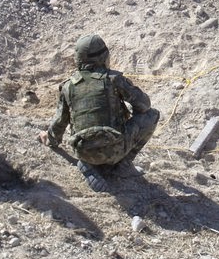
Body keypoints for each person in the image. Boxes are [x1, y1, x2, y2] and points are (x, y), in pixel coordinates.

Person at [38, 34, 160, 192]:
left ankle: (88, 165)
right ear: (103, 57)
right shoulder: (113, 79)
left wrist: (50, 140)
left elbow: (59, 123)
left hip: (83, 150)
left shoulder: (68, 86)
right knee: (152, 115)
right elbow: (145, 106)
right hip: (116, 149)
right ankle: (123, 165)